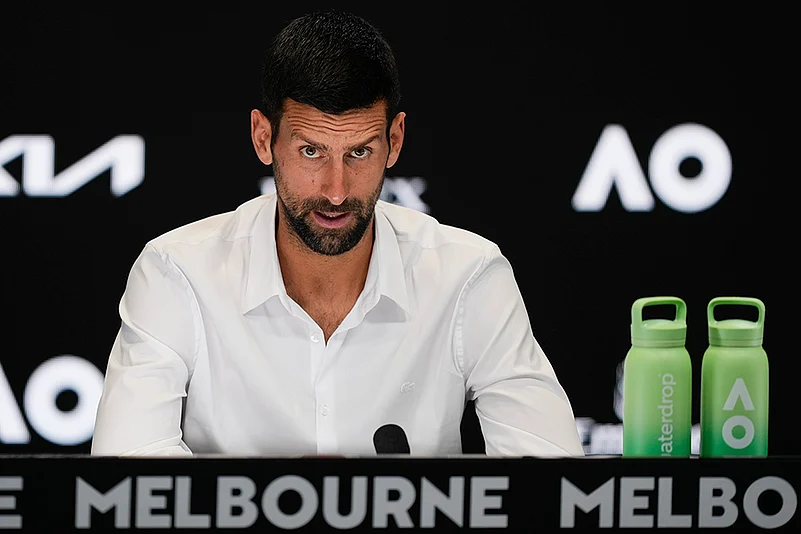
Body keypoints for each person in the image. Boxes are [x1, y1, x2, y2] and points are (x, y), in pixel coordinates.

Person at [90, 9, 584, 457]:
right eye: (311, 152)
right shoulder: (177, 274)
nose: (335, 190)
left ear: (395, 140)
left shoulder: (469, 276)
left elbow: (547, 477)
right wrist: (297, 504)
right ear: (264, 139)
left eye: (360, 152)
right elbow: (128, 474)